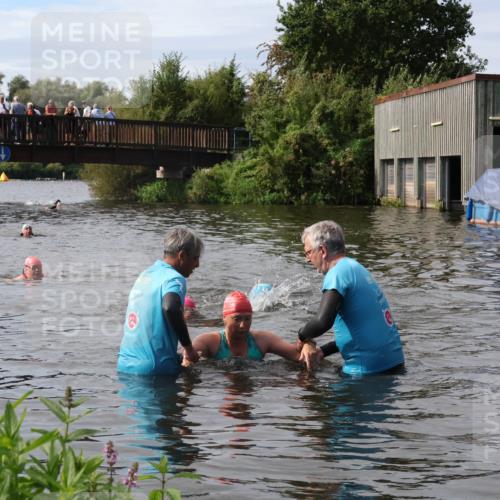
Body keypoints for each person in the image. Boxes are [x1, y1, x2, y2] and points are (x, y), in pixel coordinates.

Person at [296, 220, 405, 376]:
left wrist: (302, 336)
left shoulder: (337, 274)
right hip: (393, 366)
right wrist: (323, 351)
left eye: (308, 253)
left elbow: (322, 322)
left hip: (367, 373)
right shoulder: (357, 268)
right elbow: (362, 332)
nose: (308, 260)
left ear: (322, 250)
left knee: (305, 391)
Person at [117, 226, 203, 376]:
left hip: (125, 365)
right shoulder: (174, 278)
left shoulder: (146, 274)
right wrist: (188, 349)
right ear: (182, 255)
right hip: (155, 369)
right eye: (195, 258)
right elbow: (170, 307)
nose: (197, 264)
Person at [182, 291, 317, 368]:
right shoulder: (209, 341)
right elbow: (189, 354)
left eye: (247, 319)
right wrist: (188, 359)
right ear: (224, 318)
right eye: (237, 319)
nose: (243, 325)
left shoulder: (263, 340)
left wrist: (308, 344)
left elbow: (298, 355)